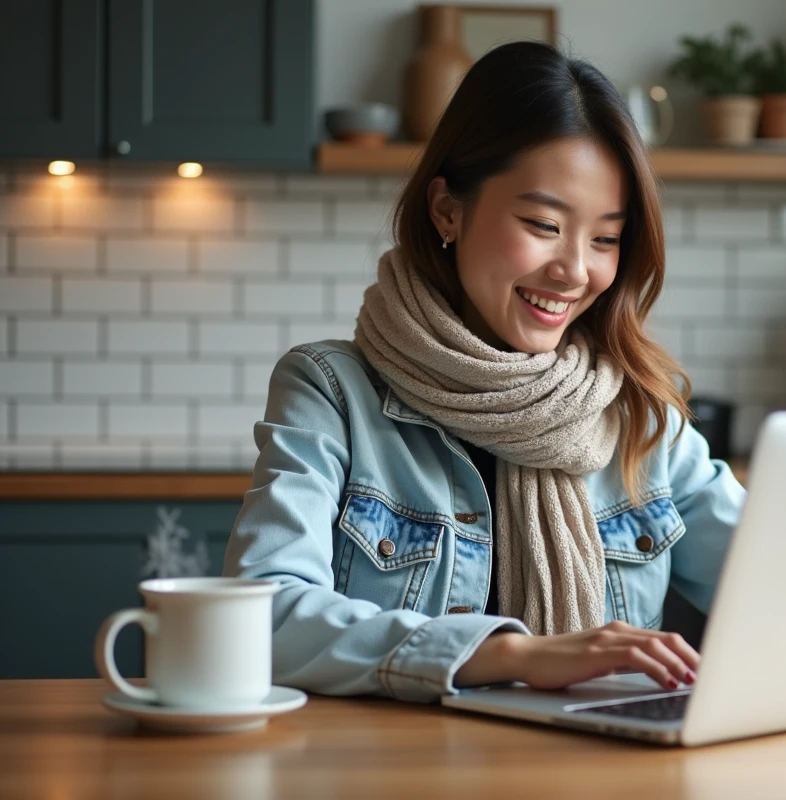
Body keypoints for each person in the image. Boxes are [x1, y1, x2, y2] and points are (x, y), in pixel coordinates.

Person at [222, 41, 745, 703]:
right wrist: (513, 655)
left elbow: (781, 583)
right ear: (447, 210)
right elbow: (263, 618)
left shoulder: (641, 414)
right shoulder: (330, 390)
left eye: (606, 238)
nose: (576, 271)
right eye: (543, 224)